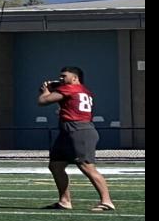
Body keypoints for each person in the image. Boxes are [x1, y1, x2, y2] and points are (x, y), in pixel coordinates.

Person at [38, 66, 115, 212]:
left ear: (75, 78)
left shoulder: (70, 88)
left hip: (79, 130)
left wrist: (45, 90)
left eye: (64, 76)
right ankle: (64, 201)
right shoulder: (83, 90)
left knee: (86, 166)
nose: (61, 78)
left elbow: (43, 101)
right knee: (56, 165)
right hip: (67, 131)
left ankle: (107, 201)